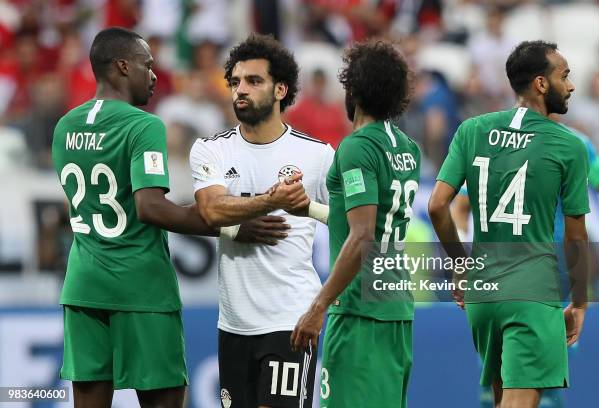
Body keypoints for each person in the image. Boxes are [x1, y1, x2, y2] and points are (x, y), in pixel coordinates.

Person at [51, 27, 285, 408]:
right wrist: (232, 225)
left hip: (83, 287)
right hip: (139, 286)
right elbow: (150, 207)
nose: (155, 75)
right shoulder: (143, 125)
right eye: (148, 65)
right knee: (165, 399)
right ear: (122, 67)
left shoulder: (65, 127)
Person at [428, 40, 590, 408]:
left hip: (483, 295)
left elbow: (438, 206)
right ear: (541, 84)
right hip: (531, 292)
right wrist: (579, 303)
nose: (572, 85)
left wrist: (460, 267)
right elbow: (576, 235)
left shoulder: (472, 130)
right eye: (565, 76)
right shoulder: (569, 145)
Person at [189, 33, 334, 408]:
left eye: (254, 81)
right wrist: (272, 200)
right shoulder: (211, 149)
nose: (241, 90)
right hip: (234, 324)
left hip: (290, 319)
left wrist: (311, 210)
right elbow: (211, 210)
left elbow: (352, 225)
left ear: (281, 89)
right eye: (235, 82)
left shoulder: (317, 156)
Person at [291, 40, 420, 407]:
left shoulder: (356, 147)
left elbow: (362, 235)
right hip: (396, 308)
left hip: (360, 314)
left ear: (353, 89)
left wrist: (318, 307)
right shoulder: (408, 148)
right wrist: (315, 210)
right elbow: (373, 222)